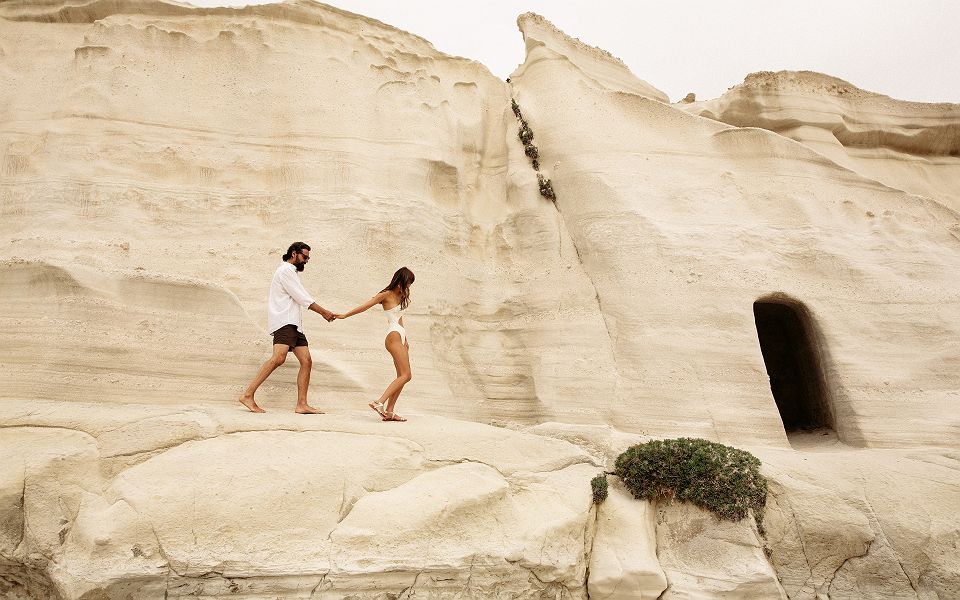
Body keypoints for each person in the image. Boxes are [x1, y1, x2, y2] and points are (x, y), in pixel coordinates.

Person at [239, 242, 335, 414]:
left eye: (308, 258)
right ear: (294, 253)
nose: (306, 261)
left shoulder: (292, 272)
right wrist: (324, 312)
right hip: (285, 321)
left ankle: (302, 404)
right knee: (278, 358)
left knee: (306, 361)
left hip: (295, 324)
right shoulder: (285, 271)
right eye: (304, 257)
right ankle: (248, 395)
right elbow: (302, 298)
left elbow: (299, 298)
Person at [334, 267, 415, 422]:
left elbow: (400, 318)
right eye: (408, 282)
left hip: (400, 336)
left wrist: (407, 341)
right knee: (406, 375)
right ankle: (379, 402)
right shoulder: (386, 294)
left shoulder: (401, 295)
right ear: (401, 279)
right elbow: (366, 305)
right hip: (393, 336)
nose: (409, 286)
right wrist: (345, 315)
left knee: (402, 376)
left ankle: (390, 411)